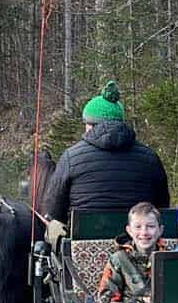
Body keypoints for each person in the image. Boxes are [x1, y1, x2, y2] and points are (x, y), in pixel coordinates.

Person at [39, 81, 170, 239]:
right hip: (140, 239)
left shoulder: (70, 157)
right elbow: (162, 206)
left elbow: (53, 210)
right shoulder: (150, 157)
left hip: (83, 244)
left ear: (91, 125)